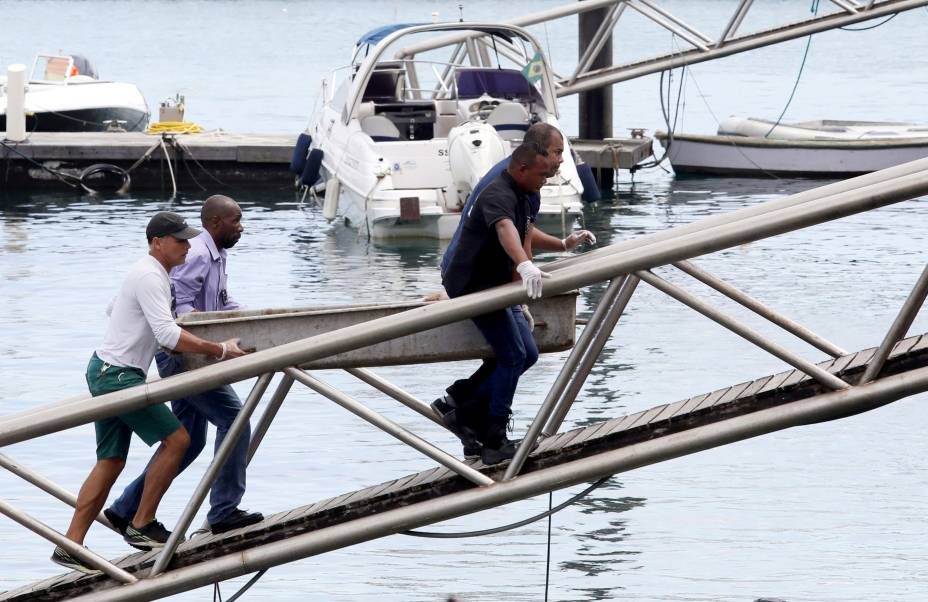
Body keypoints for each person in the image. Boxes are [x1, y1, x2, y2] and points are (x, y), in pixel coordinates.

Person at [52, 212, 246, 574]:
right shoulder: (150, 275)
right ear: (158, 242)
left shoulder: (148, 273)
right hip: (118, 376)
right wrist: (219, 349)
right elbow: (168, 336)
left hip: (105, 368)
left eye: (188, 240)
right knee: (178, 440)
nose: (188, 246)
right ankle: (142, 524)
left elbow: (114, 309)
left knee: (111, 461)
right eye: (180, 240)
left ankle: (70, 545)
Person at [105, 195, 264, 541]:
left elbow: (220, 304)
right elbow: (180, 309)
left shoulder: (217, 256)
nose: (241, 227)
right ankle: (223, 511)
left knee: (189, 441)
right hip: (184, 356)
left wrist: (257, 319)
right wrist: (218, 347)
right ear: (216, 222)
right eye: (236, 220)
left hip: (193, 353)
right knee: (235, 419)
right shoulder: (199, 254)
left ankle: (125, 508)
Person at [435, 126, 596, 461]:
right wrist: (523, 266)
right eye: (553, 157)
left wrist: (561, 244)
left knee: (529, 354)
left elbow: (524, 229)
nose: (552, 172)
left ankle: (460, 403)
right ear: (526, 163)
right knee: (511, 356)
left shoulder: (528, 186)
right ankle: (492, 436)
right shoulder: (498, 190)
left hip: (498, 281)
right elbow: (505, 228)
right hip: (472, 282)